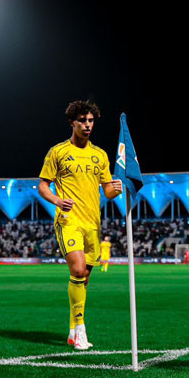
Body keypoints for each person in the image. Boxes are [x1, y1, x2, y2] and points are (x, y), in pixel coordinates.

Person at [38, 100, 122, 351]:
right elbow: (43, 185)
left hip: (92, 224)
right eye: (82, 121)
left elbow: (107, 191)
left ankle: (73, 329)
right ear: (72, 123)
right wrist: (57, 200)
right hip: (68, 221)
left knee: (84, 278)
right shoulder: (58, 152)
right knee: (77, 269)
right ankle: (82, 330)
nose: (87, 125)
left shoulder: (100, 155)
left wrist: (117, 188)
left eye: (91, 121)